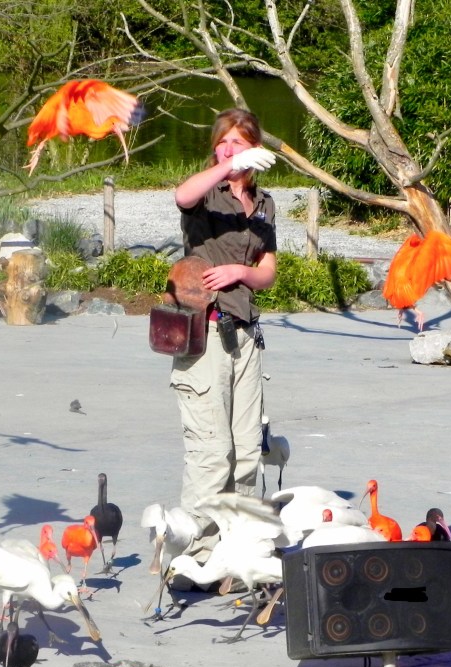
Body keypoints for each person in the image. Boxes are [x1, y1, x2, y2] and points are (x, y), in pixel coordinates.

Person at [169, 108, 278, 581]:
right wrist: (228, 167)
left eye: (239, 143)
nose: (228, 150)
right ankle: (195, 557)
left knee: (248, 450)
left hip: (246, 333)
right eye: (223, 142)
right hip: (205, 332)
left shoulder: (264, 202)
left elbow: (268, 272)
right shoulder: (206, 194)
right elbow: (182, 195)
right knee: (212, 453)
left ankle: (241, 554)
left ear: (256, 147)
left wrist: (242, 272)